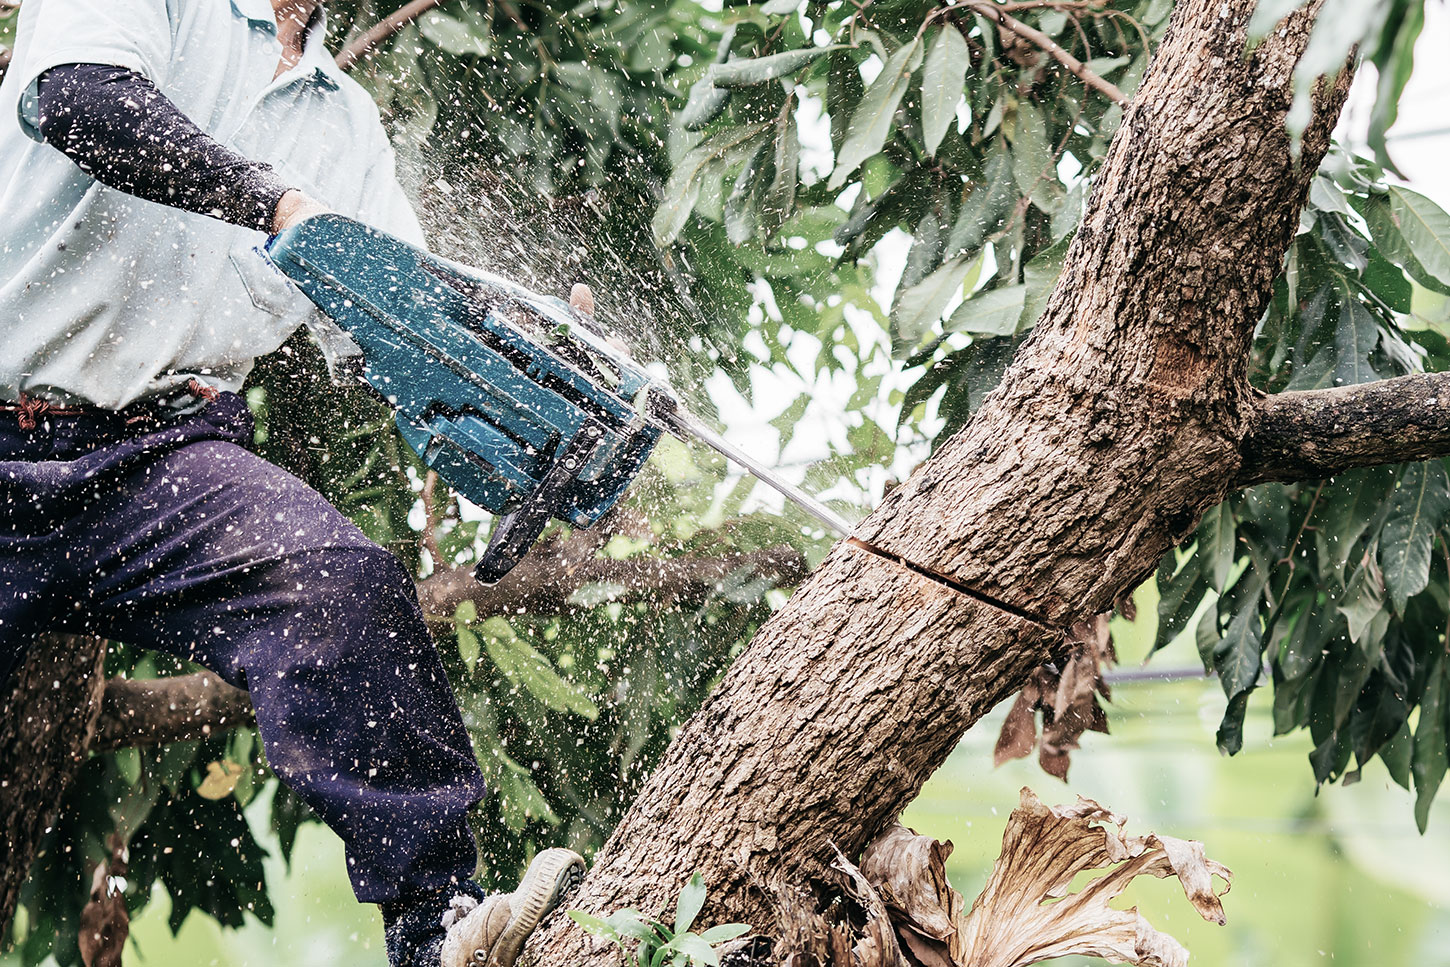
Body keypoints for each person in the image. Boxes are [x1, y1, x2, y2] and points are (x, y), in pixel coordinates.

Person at [0, 1, 587, 965]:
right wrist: (276, 202)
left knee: (341, 586)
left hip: (163, 457)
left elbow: (401, 321)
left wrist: (524, 360)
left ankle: (439, 923)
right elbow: (80, 100)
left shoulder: (345, 123)